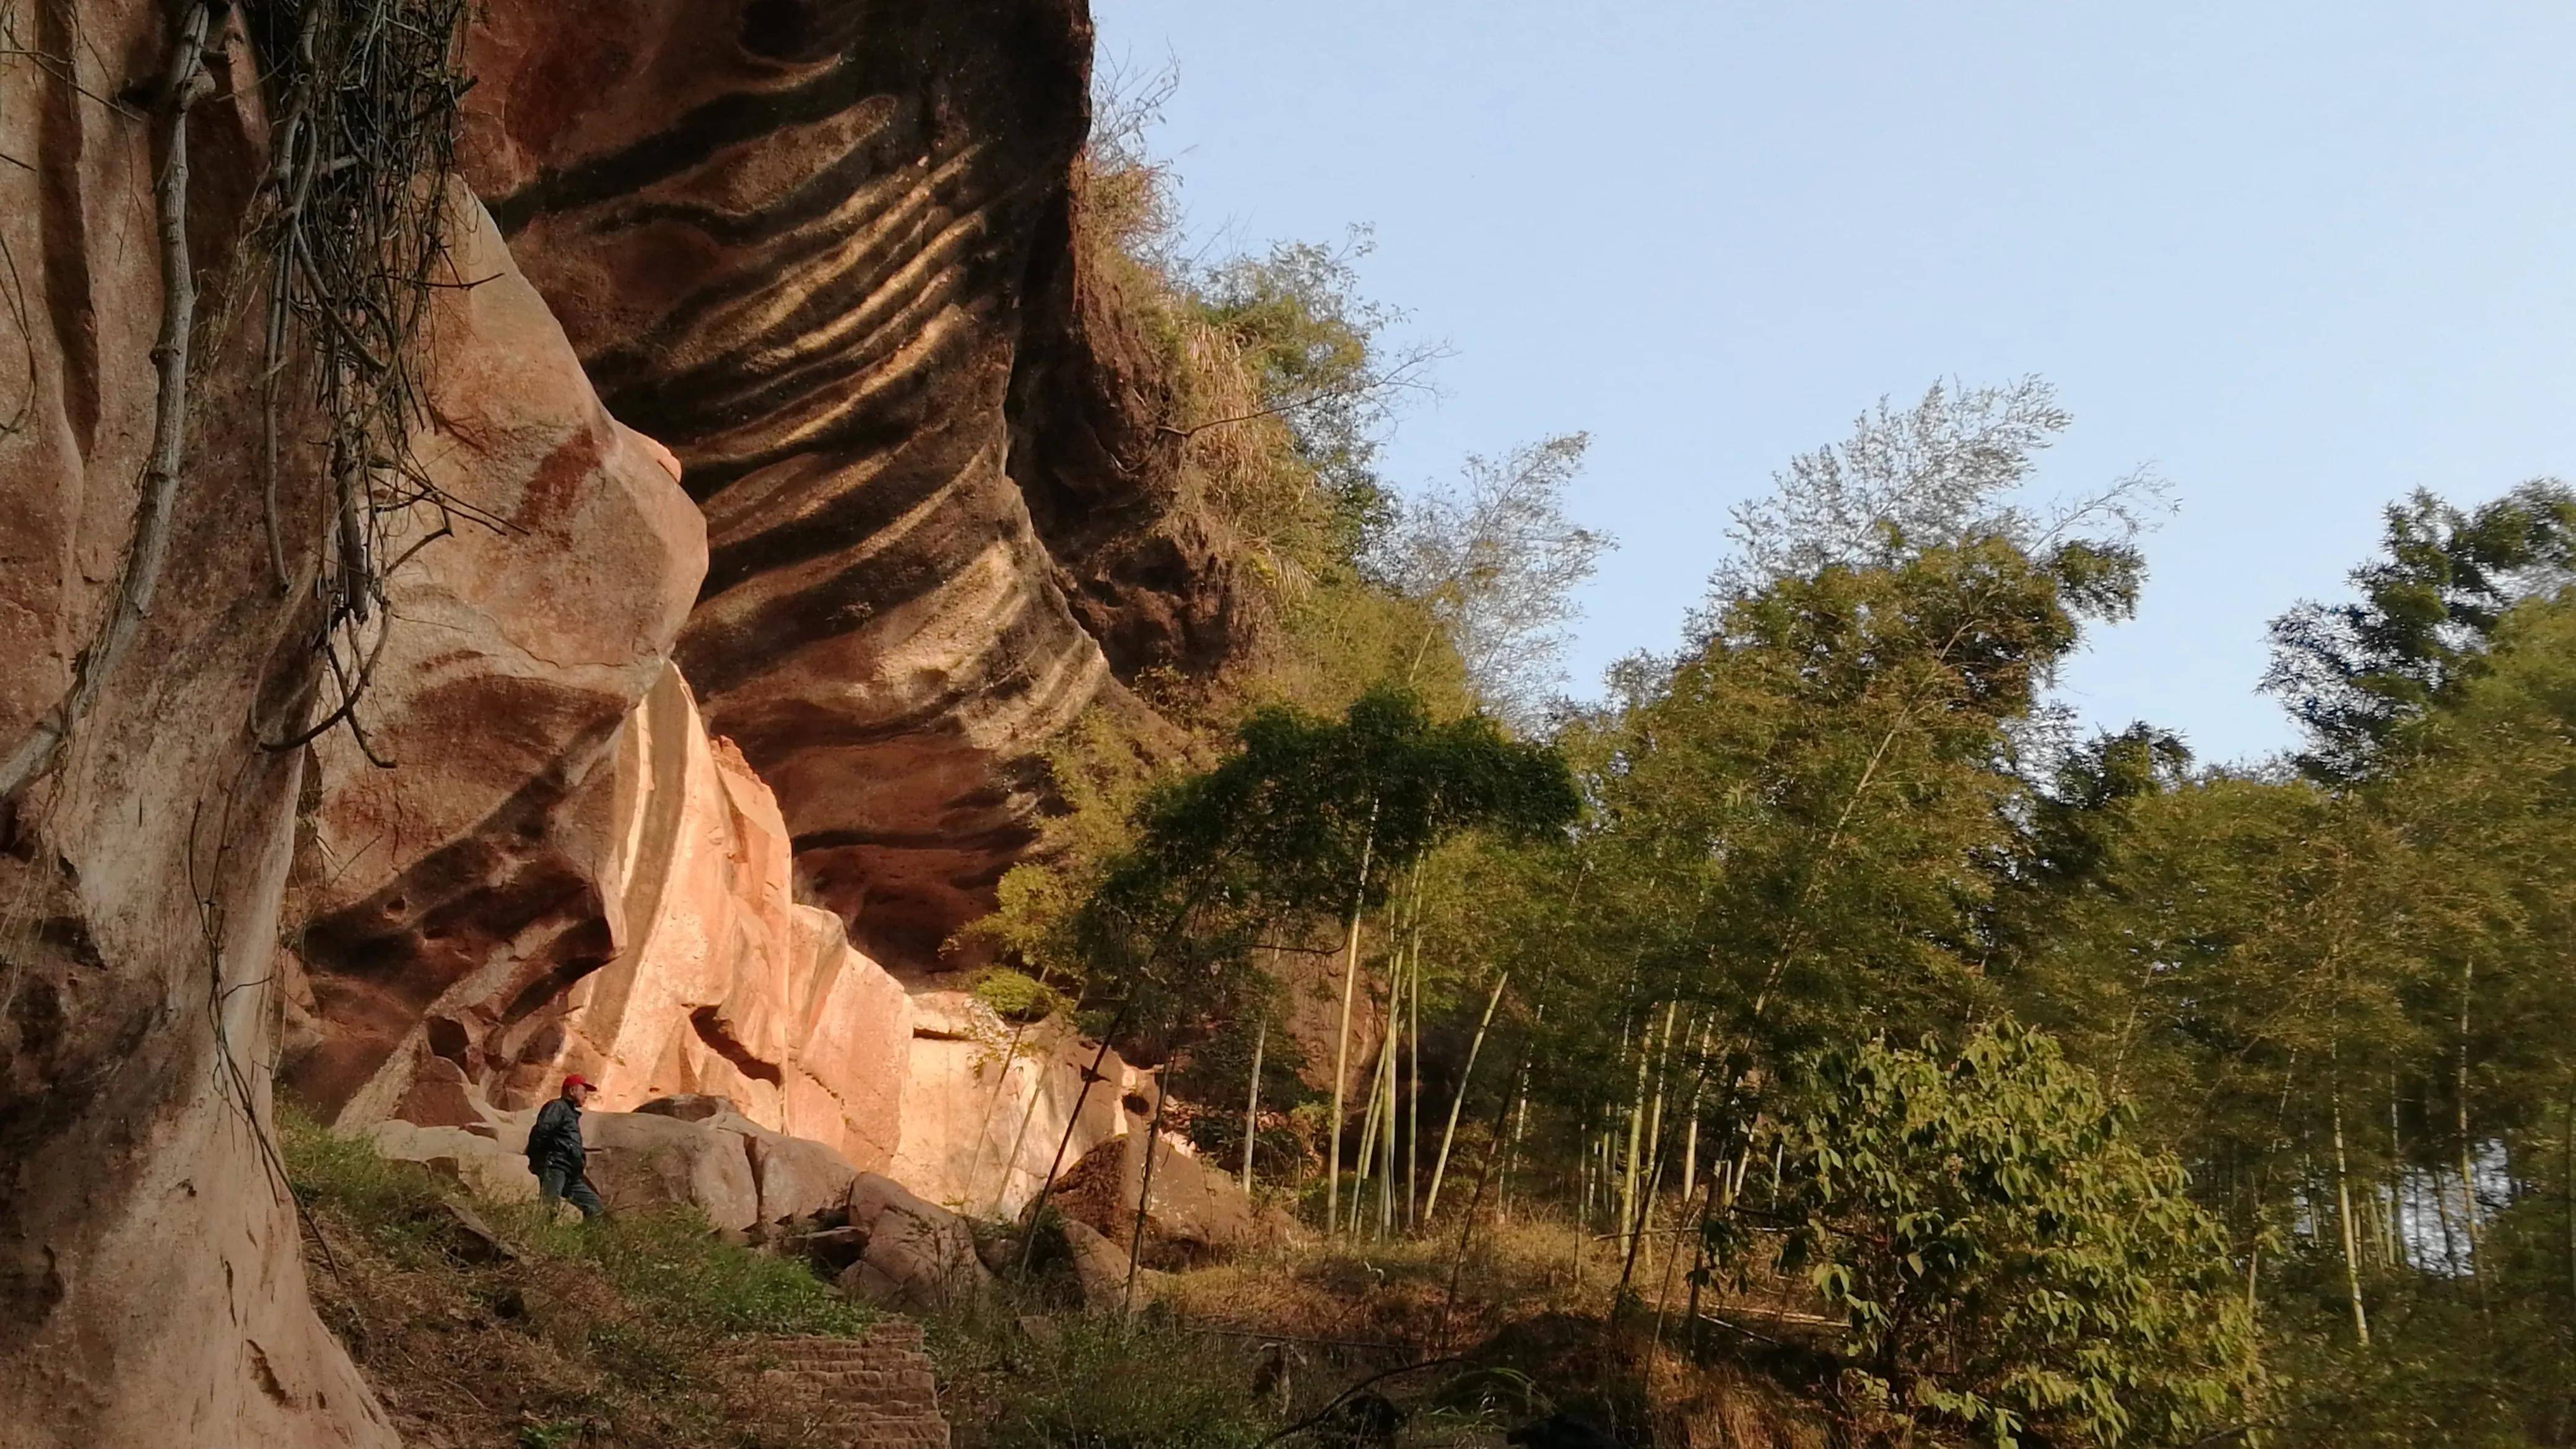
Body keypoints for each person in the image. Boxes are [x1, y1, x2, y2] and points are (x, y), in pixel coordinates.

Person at [527, 1074, 604, 1220]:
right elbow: (542, 1130)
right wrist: (542, 1159)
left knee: (595, 1206)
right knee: (549, 1207)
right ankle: (540, 1238)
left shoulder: (570, 1113)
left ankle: (583, 1241)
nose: (586, 1095)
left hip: (570, 1172)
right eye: (584, 1091)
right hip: (555, 1165)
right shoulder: (557, 1106)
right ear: (572, 1091)